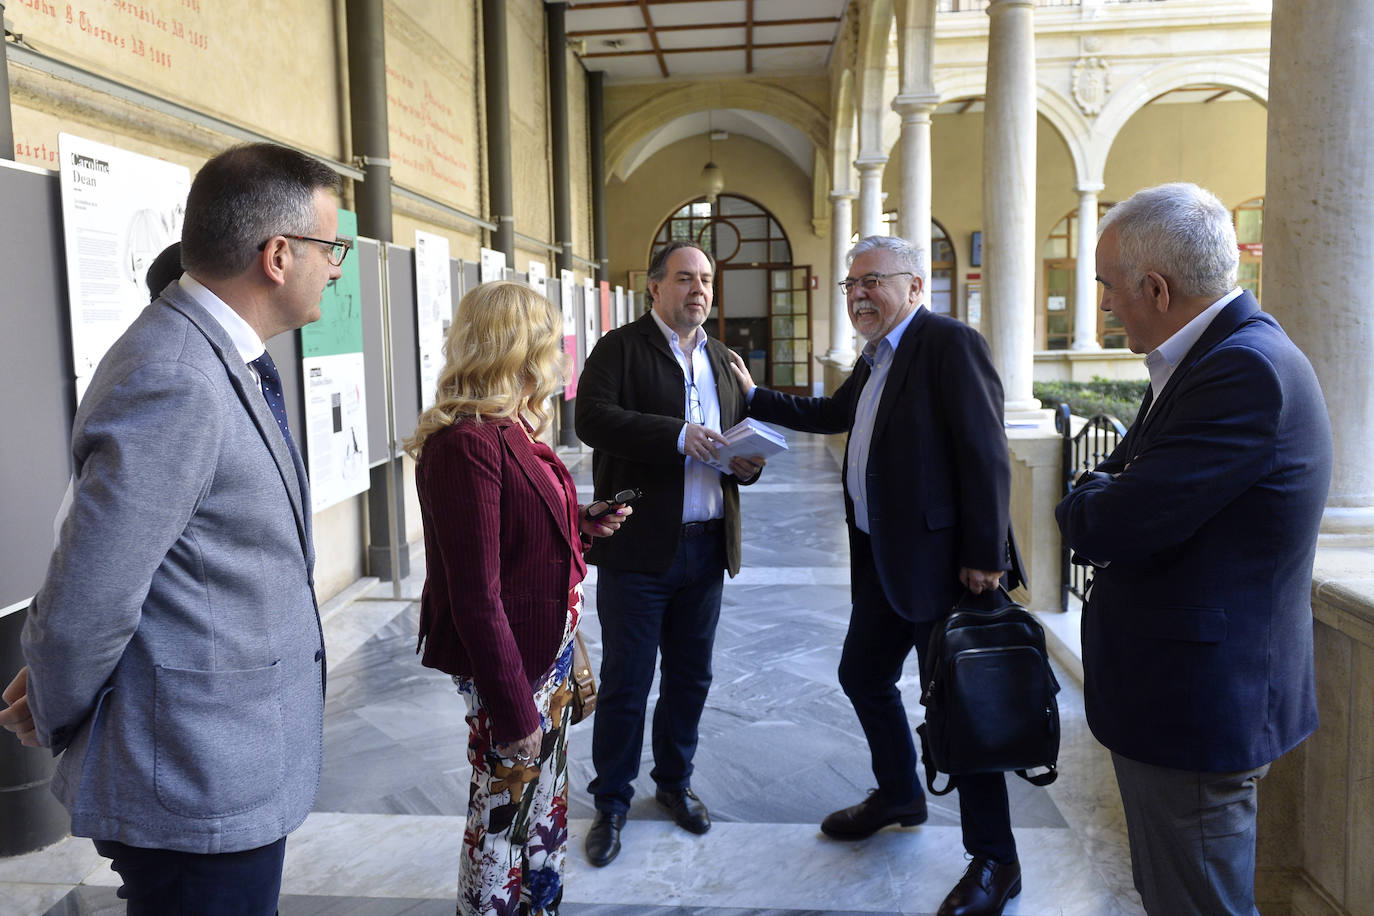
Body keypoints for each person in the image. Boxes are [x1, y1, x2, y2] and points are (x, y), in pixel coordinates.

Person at [0, 142, 346, 912]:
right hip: (195, 778)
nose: (338, 266)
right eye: (333, 248)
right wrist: (55, 701)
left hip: (224, 759)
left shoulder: (219, 355)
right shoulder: (177, 376)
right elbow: (91, 593)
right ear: (279, 255)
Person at [1055, 182, 1332, 915]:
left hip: (1199, 707)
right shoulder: (1209, 356)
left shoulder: (1240, 370)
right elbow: (1118, 484)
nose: (1106, 306)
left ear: (1155, 286)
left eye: (1109, 289)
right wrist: (1102, 490)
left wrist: (1091, 496)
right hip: (1185, 695)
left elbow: (1105, 519)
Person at [728, 235, 1024, 916]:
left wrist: (986, 553)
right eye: (851, 283)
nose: (860, 293)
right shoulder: (879, 355)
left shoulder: (948, 343)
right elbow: (834, 415)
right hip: (883, 558)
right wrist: (756, 396)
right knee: (863, 674)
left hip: (948, 568)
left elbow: (985, 451)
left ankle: (995, 861)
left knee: (962, 711)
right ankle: (899, 793)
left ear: (915, 286)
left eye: (874, 281)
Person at [406, 281, 629, 915]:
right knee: (501, 816)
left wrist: (580, 521)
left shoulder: (511, 429)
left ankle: (539, 903)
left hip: (545, 653)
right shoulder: (466, 445)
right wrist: (512, 710)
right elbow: (475, 593)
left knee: (543, 802)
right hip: (511, 666)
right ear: (517, 349)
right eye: (549, 342)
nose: (560, 356)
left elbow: (514, 525)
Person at [574, 240, 766, 867]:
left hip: (706, 549)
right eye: (685, 278)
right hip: (637, 549)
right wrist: (677, 436)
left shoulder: (722, 358)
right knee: (629, 683)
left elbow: (737, 446)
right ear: (654, 287)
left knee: (691, 678)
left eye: (706, 279)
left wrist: (747, 463)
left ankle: (674, 783)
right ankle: (611, 802)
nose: (699, 290)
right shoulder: (619, 349)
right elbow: (593, 421)